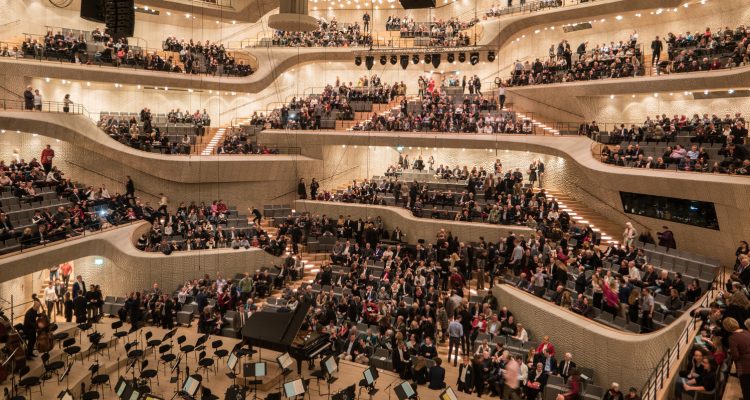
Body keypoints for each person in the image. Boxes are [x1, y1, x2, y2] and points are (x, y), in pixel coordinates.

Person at [725, 317, 750, 399]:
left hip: (745, 367)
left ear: (727, 327)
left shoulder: (732, 338)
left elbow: (736, 355)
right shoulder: (746, 331)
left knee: (746, 389)